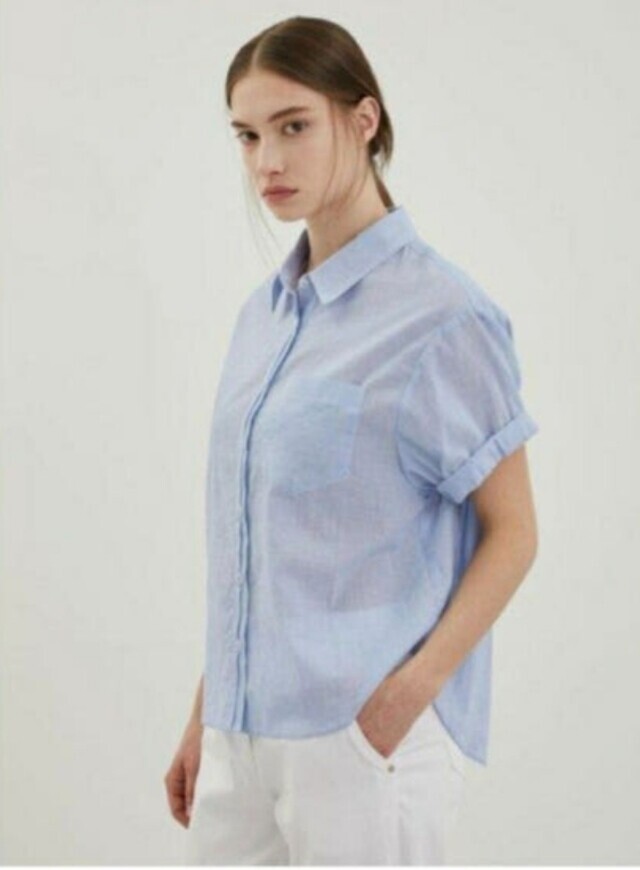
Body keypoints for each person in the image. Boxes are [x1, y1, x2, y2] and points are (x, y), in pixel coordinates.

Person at [164, 14, 540, 866]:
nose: (267, 160)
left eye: (293, 126)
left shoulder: (442, 315)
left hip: (360, 742)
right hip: (239, 737)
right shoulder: (262, 318)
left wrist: (403, 701)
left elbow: (515, 532)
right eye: (247, 135)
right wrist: (208, 712)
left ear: (363, 120)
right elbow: (262, 547)